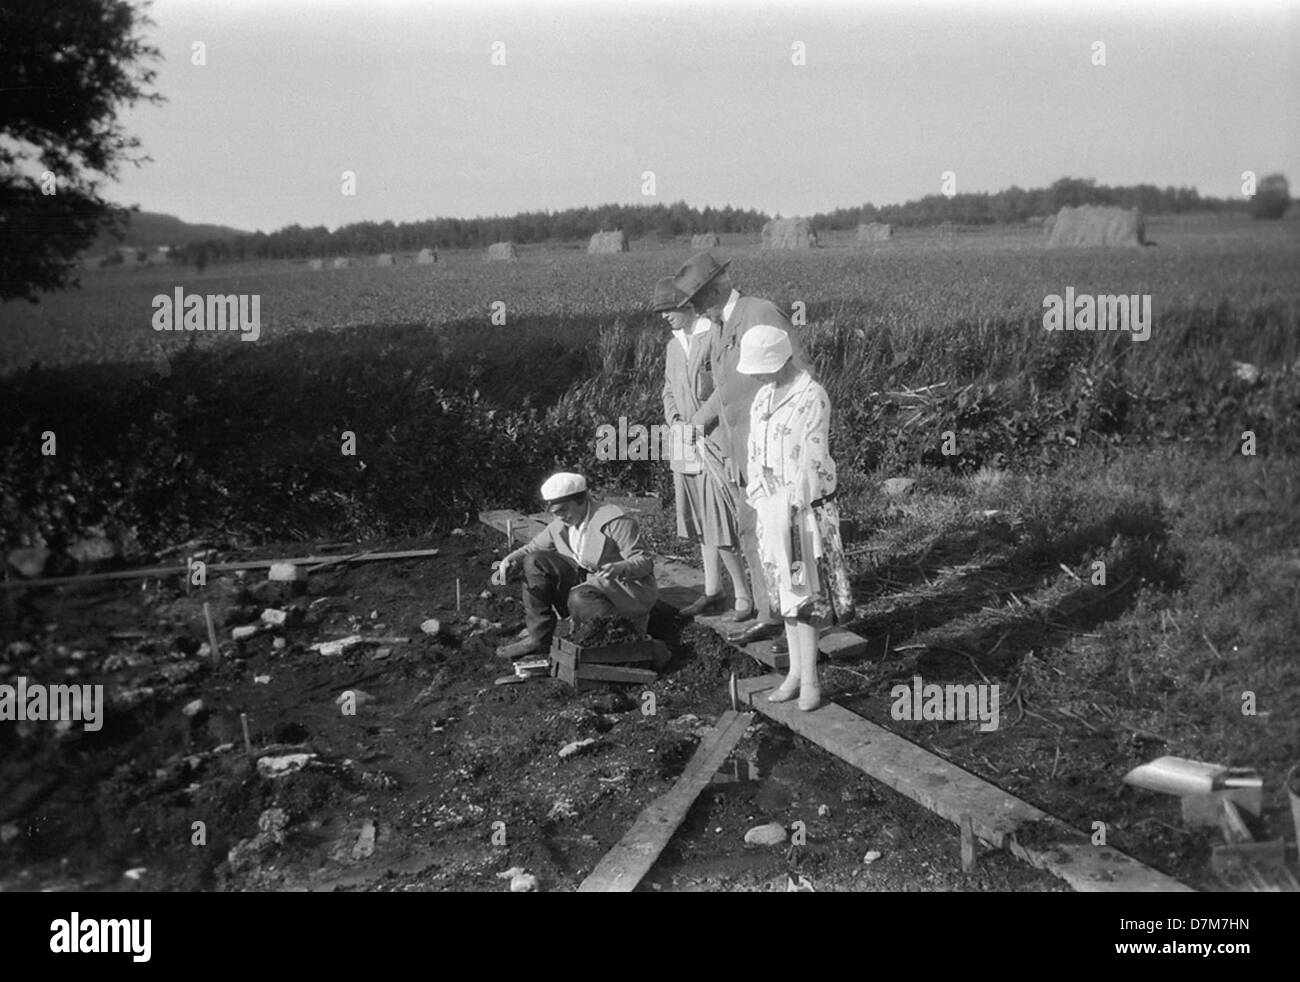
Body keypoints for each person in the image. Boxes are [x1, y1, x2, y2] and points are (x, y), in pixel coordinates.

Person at [672, 251, 804, 649]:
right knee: (751, 533)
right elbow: (726, 390)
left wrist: (785, 445)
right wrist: (707, 429)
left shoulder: (759, 313)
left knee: (786, 538)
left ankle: (799, 620)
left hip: (775, 455)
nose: (694, 310)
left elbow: (800, 374)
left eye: (695, 301)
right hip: (741, 454)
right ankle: (769, 613)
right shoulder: (719, 323)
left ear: (715, 289)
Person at [735, 324, 854, 711]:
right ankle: (794, 674)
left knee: (805, 595)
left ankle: (812, 680)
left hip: (801, 512)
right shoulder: (762, 398)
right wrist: (758, 493)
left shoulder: (811, 395)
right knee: (785, 594)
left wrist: (794, 502)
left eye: (758, 366)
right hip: (771, 508)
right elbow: (754, 450)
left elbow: (814, 457)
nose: (753, 375)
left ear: (777, 359)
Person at [652, 276, 751, 618]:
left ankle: (744, 597)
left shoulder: (714, 335)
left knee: (719, 520)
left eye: (669, 309)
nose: (665, 317)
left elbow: (727, 388)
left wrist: (697, 423)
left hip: (713, 440)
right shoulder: (672, 345)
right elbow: (667, 389)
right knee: (699, 520)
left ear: (687, 305)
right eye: (661, 312)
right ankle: (713, 590)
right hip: (684, 443)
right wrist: (676, 421)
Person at [490, 472, 659, 660]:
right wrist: (509, 560)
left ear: (581, 500)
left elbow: (645, 561)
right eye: (554, 512)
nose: (559, 517)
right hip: (588, 584)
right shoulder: (560, 525)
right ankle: (538, 638)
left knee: (580, 598)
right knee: (535, 561)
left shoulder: (615, 521)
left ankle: (620, 637)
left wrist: (620, 567)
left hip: (623, 591)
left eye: (563, 510)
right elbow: (532, 548)